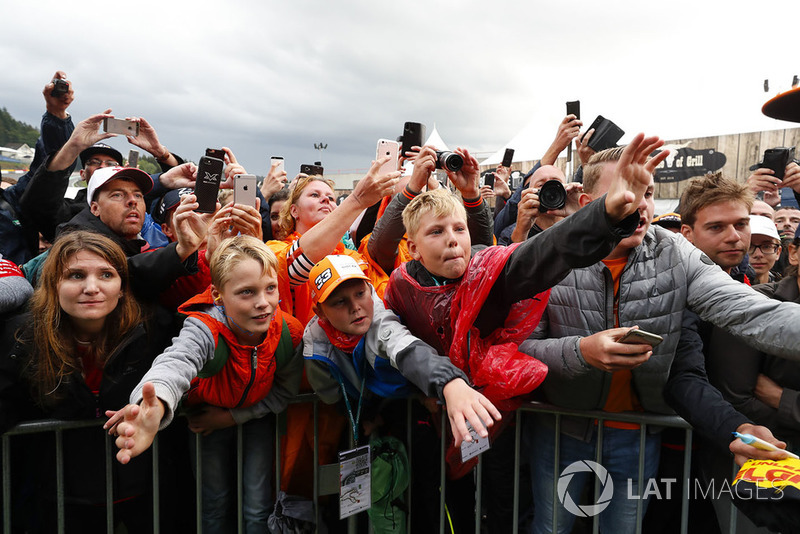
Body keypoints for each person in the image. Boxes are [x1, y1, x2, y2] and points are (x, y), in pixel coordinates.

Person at [520, 151, 799, 534]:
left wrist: (736, 426)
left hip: (636, 435)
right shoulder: (552, 253)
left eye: (648, 191)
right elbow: (519, 349)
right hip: (560, 428)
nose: (639, 205)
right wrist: (581, 352)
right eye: (625, 191)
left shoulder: (674, 253)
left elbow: (752, 313)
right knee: (552, 528)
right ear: (586, 205)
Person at [107, 235, 304, 534]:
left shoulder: (289, 332)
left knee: (257, 507)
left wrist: (232, 417)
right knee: (213, 504)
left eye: (270, 288)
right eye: (246, 292)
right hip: (205, 423)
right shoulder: (205, 327)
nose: (263, 303)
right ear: (217, 295)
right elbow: (176, 362)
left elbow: (284, 392)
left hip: (256, 418)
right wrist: (154, 402)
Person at [0, 230, 176, 532]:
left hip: (144, 493)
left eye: (106, 274)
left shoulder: (153, 328)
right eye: (76, 275)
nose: (91, 288)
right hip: (59, 500)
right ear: (54, 285)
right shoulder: (21, 337)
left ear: (122, 287)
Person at [747, 215, 782, 284]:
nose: (758, 254)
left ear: (778, 252)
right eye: (749, 246)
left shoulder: (791, 291)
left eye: (766, 247)